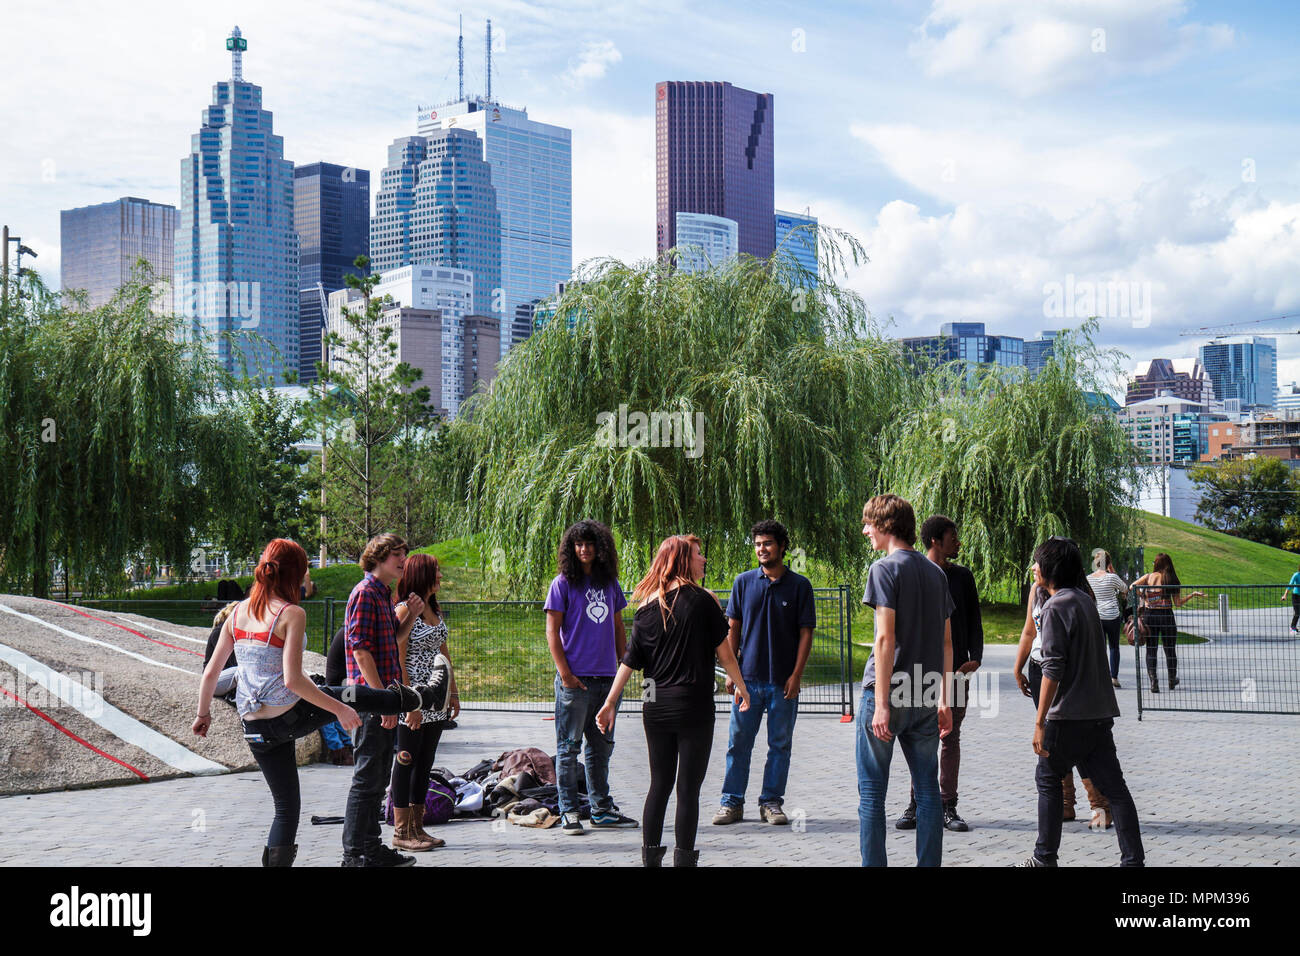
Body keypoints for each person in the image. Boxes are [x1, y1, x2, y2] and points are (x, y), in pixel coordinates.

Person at [192, 538, 447, 867]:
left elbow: (210, 672)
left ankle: (360, 850)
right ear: (294, 573)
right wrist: (339, 709)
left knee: (286, 809)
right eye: (304, 573)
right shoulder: (292, 613)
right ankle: (418, 697)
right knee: (344, 697)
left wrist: (203, 714)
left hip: (254, 727)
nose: (306, 580)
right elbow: (294, 680)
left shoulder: (237, 613)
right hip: (286, 713)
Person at [596, 535, 751, 866]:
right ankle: (684, 860)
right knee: (687, 791)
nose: (703, 559)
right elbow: (726, 657)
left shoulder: (645, 608)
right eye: (698, 554)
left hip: (656, 709)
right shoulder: (704, 601)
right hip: (694, 708)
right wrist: (741, 687)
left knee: (659, 785)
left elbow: (628, 660)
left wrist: (610, 702)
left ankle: (650, 859)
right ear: (683, 559)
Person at [1018, 537, 1144, 867]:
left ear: (1050, 568)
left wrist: (1039, 721)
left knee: (1047, 779)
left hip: (1068, 715)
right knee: (1115, 789)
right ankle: (1134, 861)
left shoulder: (1056, 606)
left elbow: (1053, 667)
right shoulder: (1084, 600)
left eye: (1037, 562)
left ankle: (1044, 859)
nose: (1033, 567)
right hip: (1098, 713)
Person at [857, 494, 953, 867]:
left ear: (885, 526)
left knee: (872, 793)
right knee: (929, 790)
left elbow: (885, 639)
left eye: (869, 524)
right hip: (926, 693)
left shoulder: (884, 569)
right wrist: (945, 699)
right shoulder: (937, 573)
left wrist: (881, 703)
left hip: (887, 694)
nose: (866, 531)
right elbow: (947, 643)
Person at [342, 533, 441, 868]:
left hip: (383, 700)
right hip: (373, 702)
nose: (403, 560)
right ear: (378, 557)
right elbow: (360, 651)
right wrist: (381, 700)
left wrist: (411, 615)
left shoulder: (382, 595)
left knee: (378, 778)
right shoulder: (365, 593)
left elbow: (391, 639)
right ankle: (355, 854)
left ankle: (372, 848)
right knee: (367, 779)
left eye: (404, 554)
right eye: (396, 554)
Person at [713, 520, 815, 827]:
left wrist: (797, 675)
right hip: (747, 681)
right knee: (738, 744)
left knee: (780, 745)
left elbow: (806, 634)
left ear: (782, 547)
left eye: (767, 543)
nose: (761, 549)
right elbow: (733, 627)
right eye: (757, 544)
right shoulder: (743, 582)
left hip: (783, 682)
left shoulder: (800, 586)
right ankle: (731, 803)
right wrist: (732, 673)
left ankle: (771, 802)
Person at [545, 519, 638, 834]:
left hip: (607, 682)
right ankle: (569, 811)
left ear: (600, 548)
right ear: (572, 549)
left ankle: (601, 809)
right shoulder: (561, 584)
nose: (584, 549)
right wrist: (566, 675)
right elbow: (552, 632)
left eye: (590, 544)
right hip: (576, 683)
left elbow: (618, 626)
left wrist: (624, 663)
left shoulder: (610, 584)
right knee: (568, 748)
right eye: (578, 544)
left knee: (600, 750)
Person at [1014, 548, 1111, 830]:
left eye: (1038, 562)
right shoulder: (1037, 591)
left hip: (1065, 674)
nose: (1033, 567)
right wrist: (1017, 667)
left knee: (1074, 741)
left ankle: (1100, 805)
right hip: (1038, 668)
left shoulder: (1079, 594)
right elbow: (1028, 631)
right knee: (1053, 745)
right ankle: (1066, 804)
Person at [897, 514, 982, 833]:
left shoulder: (963, 577)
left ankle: (948, 806)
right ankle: (917, 804)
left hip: (957, 670)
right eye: (953, 537)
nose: (958, 542)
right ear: (936, 540)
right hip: (918, 670)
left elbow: (974, 620)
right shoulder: (915, 573)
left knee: (949, 737)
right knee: (919, 738)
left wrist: (977, 658)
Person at [389, 554, 459, 852]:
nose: (441, 577)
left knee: (426, 762)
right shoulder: (406, 609)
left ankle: (418, 827)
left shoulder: (432, 607)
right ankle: (401, 831)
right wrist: (410, 705)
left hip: (436, 699)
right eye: (436, 572)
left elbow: (443, 653)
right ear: (423, 575)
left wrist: (452, 692)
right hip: (413, 698)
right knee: (406, 760)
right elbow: (398, 659)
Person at [1132, 554, 1205, 694]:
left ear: (1157, 564)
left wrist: (1143, 595)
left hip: (1150, 616)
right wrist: (1192, 595)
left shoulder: (1148, 577)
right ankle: (1172, 679)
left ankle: (1154, 681)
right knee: (1170, 649)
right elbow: (1177, 603)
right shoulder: (1172, 579)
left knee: (1151, 649)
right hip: (1166, 616)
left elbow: (1132, 587)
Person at [1087, 549, 1129, 689]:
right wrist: (1113, 571)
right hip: (1113, 616)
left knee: (1100, 647)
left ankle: (1100, 676)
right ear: (1109, 563)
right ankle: (1114, 677)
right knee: (1114, 647)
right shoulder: (1112, 577)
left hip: (1098, 615)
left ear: (1096, 563)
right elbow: (1124, 589)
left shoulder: (1090, 578)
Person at [1282, 563, 1300, 635]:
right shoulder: (1296, 575)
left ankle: (1295, 627)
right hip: (1295, 596)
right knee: (1297, 612)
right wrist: (1285, 595)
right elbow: (1290, 585)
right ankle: (1292, 627)